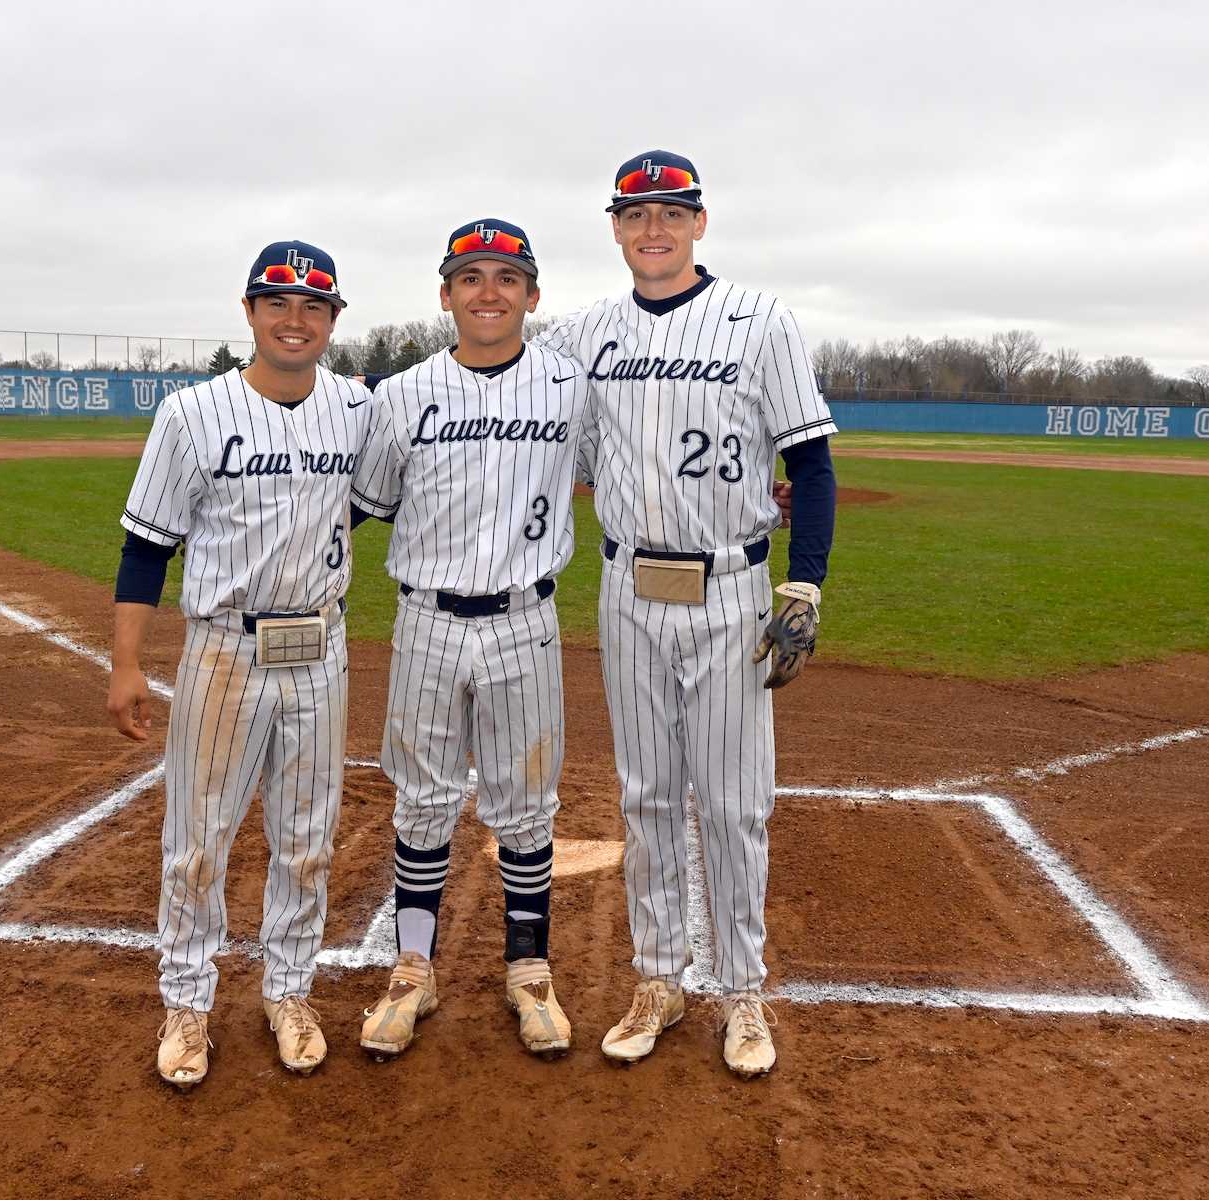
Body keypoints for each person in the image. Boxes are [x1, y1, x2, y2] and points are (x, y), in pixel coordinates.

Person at [534, 150, 837, 1077]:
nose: (653, 228)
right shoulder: (584, 335)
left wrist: (806, 581)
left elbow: (812, 464)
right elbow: (506, 392)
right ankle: (660, 978)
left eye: (671, 211)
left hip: (733, 590)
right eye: (635, 213)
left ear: (699, 223)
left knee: (735, 803)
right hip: (629, 592)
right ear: (616, 228)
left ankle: (743, 993)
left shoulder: (761, 322)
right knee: (650, 797)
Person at [106, 240, 374, 1089]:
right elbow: (145, 548)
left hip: (321, 649)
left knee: (307, 840)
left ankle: (289, 991)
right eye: (278, 302)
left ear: (333, 320)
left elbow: (365, 505)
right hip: (224, 649)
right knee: (198, 841)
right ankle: (187, 1003)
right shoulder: (191, 415)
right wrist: (125, 665)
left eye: (313, 306)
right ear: (251, 311)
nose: (294, 319)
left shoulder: (359, 409)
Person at [350, 219, 588, 1060]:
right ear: (445, 293)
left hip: (526, 618)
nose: (489, 291)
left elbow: (627, 459)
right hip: (426, 621)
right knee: (423, 800)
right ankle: (414, 968)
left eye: (506, 276)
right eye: (471, 276)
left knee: (526, 803)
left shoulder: (569, 386)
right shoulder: (403, 396)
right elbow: (363, 503)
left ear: (532, 294)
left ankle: (530, 971)